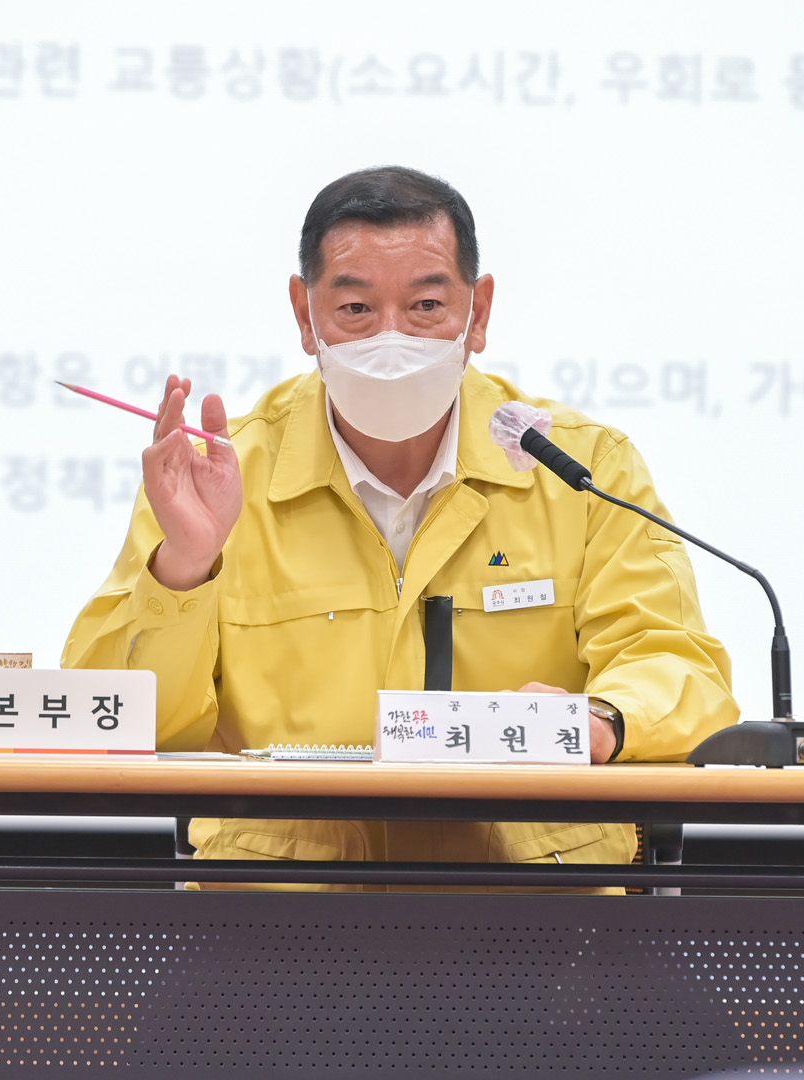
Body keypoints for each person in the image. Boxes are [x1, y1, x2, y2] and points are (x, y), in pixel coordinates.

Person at [63, 166, 739, 882]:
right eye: (355, 309)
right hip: (280, 910)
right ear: (304, 315)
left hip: (535, 904)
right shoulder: (218, 475)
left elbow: (678, 666)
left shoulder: (580, 467)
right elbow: (116, 721)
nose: (391, 340)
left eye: (425, 306)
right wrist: (185, 569)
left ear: (478, 313)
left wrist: (600, 720)